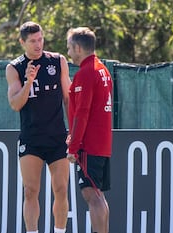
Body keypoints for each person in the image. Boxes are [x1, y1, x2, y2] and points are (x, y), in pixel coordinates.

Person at [5, 21, 71, 233]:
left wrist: (75, 132)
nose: (37, 44)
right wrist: (28, 83)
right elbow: (15, 104)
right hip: (31, 138)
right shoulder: (14, 68)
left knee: (61, 189)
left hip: (57, 137)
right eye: (32, 41)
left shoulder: (58, 61)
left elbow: (69, 99)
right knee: (30, 191)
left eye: (40, 39)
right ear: (22, 42)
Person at [66, 27, 113, 233]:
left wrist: (73, 147)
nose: (68, 53)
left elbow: (82, 113)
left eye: (69, 48)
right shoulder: (102, 69)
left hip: (90, 144)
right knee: (97, 195)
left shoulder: (86, 73)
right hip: (102, 143)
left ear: (78, 47)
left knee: (91, 195)